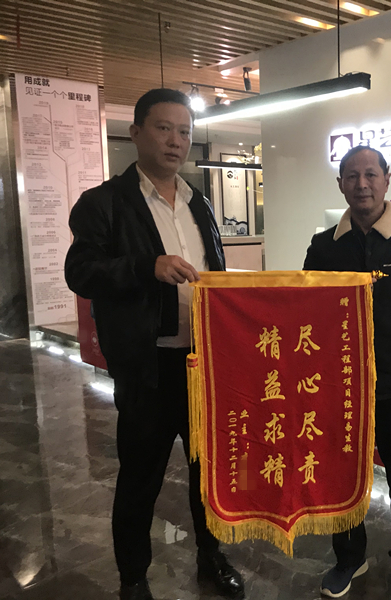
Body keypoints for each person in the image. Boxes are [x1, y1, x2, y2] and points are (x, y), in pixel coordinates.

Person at [64, 89, 244, 600]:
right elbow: (80, 271)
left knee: (209, 474)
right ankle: (134, 578)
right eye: (164, 128)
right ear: (136, 132)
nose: (176, 141)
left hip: (204, 364)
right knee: (140, 478)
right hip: (148, 367)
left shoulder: (198, 202)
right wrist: (147, 266)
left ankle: (211, 557)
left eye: (185, 131)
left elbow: (213, 271)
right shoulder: (104, 203)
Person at [303, 146, 391, 600]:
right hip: (339, 390)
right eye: (352, 176)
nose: (361, 184)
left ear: (387, 179)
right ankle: (349, 558)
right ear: (340, 184)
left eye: (370, 174)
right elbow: (307, 315)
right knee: (341, 478)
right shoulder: (324, 247)